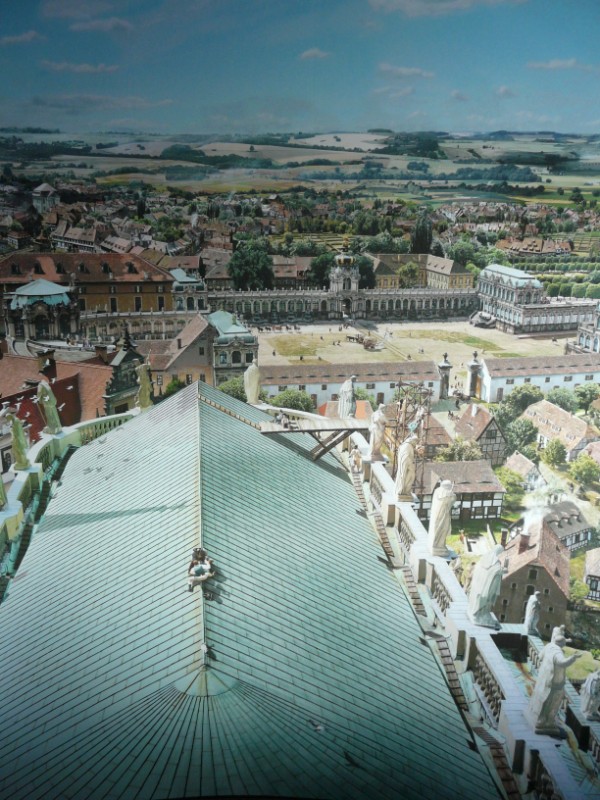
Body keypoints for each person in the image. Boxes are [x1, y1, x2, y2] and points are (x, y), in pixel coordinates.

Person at [528, 633, 582, 733]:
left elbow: (539, 656)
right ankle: (543, 721)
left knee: (541, 696)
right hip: (554, 682)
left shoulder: (549, 645)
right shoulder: (557, 653)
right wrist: (573, 657)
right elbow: (562, 663)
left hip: (544, 677)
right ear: (562, 644)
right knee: (551, 701)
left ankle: (536, 715)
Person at [468, 545, 505, 627]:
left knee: (484, 600)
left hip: (481, 586)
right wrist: (502, 571)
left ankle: (481, 614)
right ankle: (481, 615)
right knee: (487, 599)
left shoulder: (484, 559)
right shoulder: (494, 562)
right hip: (488, 586)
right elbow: (495, 571)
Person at [427, 479, 456, 557]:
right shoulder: (439, 492)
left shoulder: (445, 492)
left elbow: (452, 500)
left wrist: (451, 496)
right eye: (449, 487)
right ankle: (437, 546)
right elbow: (443, 500)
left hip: (444, 515)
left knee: (444, 529)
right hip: (439, 516)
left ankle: (440, 545)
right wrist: (449, 496)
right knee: (440, 530)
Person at [395, 435, 417, 500]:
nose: (416, 443)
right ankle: (405, 490)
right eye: (416, 442)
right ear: (413, 441)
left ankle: (405, 490)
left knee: (408, 476)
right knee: (411, 475)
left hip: (405, 464)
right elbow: (406, 457)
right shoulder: (408, 445)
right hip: (406, 464)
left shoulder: (405, 445)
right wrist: (411, 465)